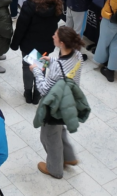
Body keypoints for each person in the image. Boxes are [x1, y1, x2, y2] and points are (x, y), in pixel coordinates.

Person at [30, 26, 85, 178]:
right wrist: (51, 60)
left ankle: (54, 169)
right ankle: (69, 157)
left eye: (55, 35)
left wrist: (36, 69)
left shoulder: (57, 68)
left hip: (54, 106)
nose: (52, 36)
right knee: (59, 130)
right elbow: (63, 67)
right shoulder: (78, 55)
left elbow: (44, 90)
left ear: (61, 43)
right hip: (69, 101)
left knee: (48, 137)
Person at [11, 0, 62, 103]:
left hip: (29, 44)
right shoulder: (56, 2)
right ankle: (38, 94)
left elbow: (21, 26)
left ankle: (28, 93)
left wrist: (15, 43)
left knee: (27, 67)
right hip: (46, 44)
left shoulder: (29, 4)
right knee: (41, 66)